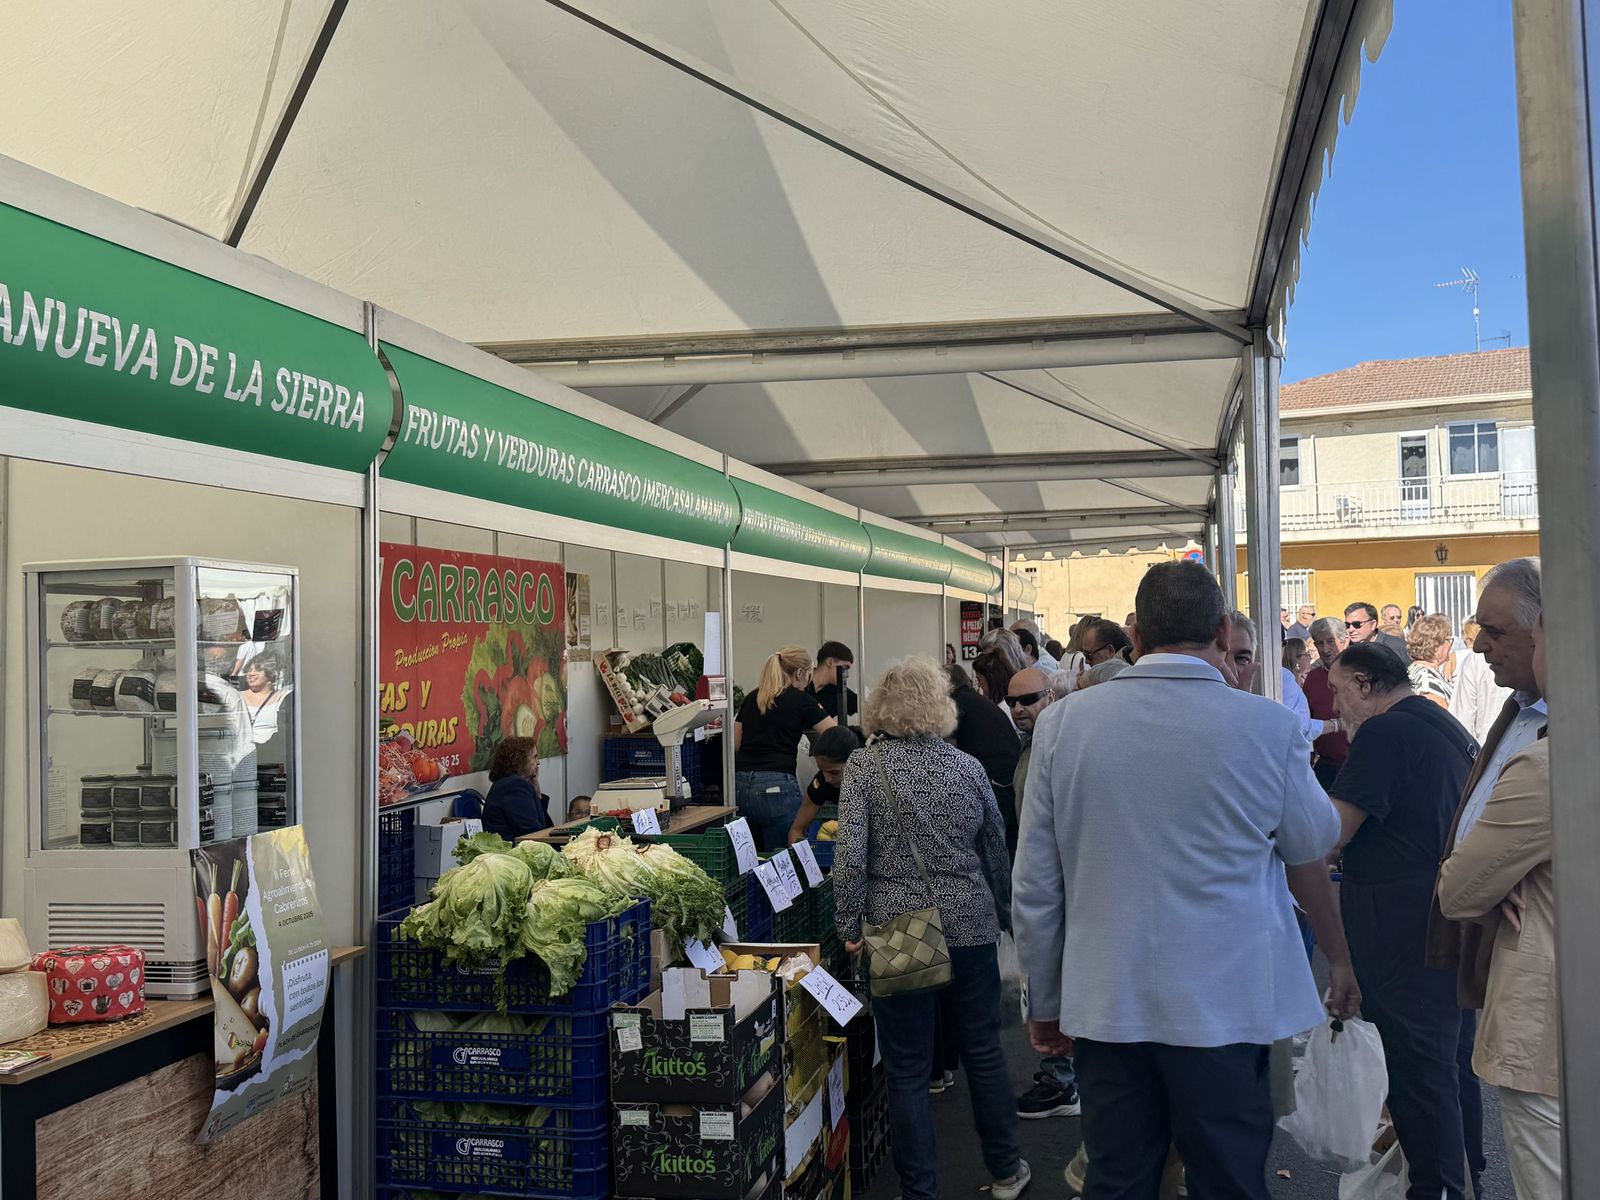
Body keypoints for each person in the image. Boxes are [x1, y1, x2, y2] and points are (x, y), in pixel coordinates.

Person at [1014, 561, 1339, 1199]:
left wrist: (1045, 1000)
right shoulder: (1268, 725)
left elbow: (1036, 886)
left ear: (1136, 636)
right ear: (1222, 633)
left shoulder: (1063, 725)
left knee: (1118, 1179)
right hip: (1229, 1007)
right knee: (1229, 1182)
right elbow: (1312, 840)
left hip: (1108, 1002)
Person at [833, 657, 1029, 1200]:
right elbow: (996, 852)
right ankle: (1006, 1169)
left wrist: (848, 923)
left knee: (908, 1068)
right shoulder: (966, 768)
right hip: (970, 925)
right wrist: (1007, 917)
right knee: (982, 1052)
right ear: (939, 707)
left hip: (899, 929)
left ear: (880, 707)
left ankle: (920, 1190)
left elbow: (850, 858)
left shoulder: (864, 768)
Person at [1326, 643, 1484, 1200]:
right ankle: (1462, 1179)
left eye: (1338, 690)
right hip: (1444, 911)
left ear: (1365, 684)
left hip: (1400, 923)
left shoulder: (1384, 732)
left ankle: (1438, 1186)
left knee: (1418, 1070)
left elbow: (1332, 832)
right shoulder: (1439, 722)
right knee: (1448, 1065)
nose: (1335, 706)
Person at [1439, 612, 1560, 1200]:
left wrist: (1502, 877)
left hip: (1552, 1027)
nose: (1483, 646)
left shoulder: (1548, 766)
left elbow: (1459, 889)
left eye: (1533, 638)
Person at [1428, 558, 1546, 1081]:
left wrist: (1491, 878)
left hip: (1542, 971)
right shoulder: (1519, 709)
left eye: (1494, 632)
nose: (1478, 647)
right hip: (1495, 939)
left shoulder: (1569, 731)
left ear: (1543, 633)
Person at [1002, 666, 1080, 1124]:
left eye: (1028, 699)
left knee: (1054, 977)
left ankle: (1061, 1078)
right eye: (1012, 701)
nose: (1017, 709)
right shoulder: (1033, 745)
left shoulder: (1057, 744)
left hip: (1057, 886)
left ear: (1052, 696)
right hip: (1045, 882)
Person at [734, 646, 837, 850]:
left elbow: (735, 745)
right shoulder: (802, 700)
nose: (808, 682)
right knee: (783, 858)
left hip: (741, 786)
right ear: (799, 673)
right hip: (777, 787)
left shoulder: (752, 698)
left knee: (752, 858)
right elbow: (835, 735)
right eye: (808, 675)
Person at [945, 664, 1023, 857]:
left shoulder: (956, 704)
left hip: (995, 780)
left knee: (993, 843)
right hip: (1010, 775)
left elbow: (949, 751)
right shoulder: (976, 701)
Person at [786, 725, 862, 845]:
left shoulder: (876, 780)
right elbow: (797, 830)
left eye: (834, 772)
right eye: (822, 770)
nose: (827, 779)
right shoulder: (821, 783)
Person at [1449, 617, 1514, 745]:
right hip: (1486, 749)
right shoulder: (1474, 660)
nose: (1478, 645)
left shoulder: (1474, 660)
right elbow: (1461, 722)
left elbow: (1461, 722)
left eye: (1490, 630)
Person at [1303, 617, 1351, 789]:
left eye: (1331, 641)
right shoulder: (1312, 678)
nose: (1325, 649)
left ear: (1345, 641)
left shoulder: (1362, 674)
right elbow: (1306, 721)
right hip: (1326, 766)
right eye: (1319, 643)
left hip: (1359, 764)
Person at [482, 736, 552, 839]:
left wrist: (537, 791)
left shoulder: (508, 783)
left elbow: (542, 825)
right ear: (520, 760)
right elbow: (534, 832)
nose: (538, 762)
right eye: (534, 757)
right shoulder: (514, 786)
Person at [239, 651, 292, 746]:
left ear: (271, 673)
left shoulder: (283, 697)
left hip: (270, 751)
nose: (251, 673)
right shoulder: (236, 697)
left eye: (258, 670)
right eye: (249, 670)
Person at [1406, 613, 1456, 708]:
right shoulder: (1427, 680)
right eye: (1448, 640)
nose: (1450, 645)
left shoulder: (1420, 670)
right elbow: (1441, 714)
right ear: (1436, 646)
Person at [1345, 601, 1412, 662]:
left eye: (1356, 624)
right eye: (1347, 625)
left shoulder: (1396, 646)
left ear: (1373, 624)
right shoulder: (1348, 648)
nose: (1351, 630)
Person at [809, 640, 859, 721]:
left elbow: (867, 707)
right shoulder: (800, 683)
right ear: (830, 662)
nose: (847, 675)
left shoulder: (839, 690)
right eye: (845, 667)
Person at [971, 645, 1020, 711]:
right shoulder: (1001, 705)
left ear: (991, 679)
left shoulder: (1003, 709)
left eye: (979, 680)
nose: (979, 685)